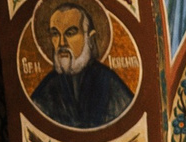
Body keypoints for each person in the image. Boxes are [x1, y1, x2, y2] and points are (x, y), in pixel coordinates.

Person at [29, 1, 133, 130]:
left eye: (70, 33)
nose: (61, 43)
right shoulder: (47, 88)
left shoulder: (109, 83)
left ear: (90, 38)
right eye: (55, 34)